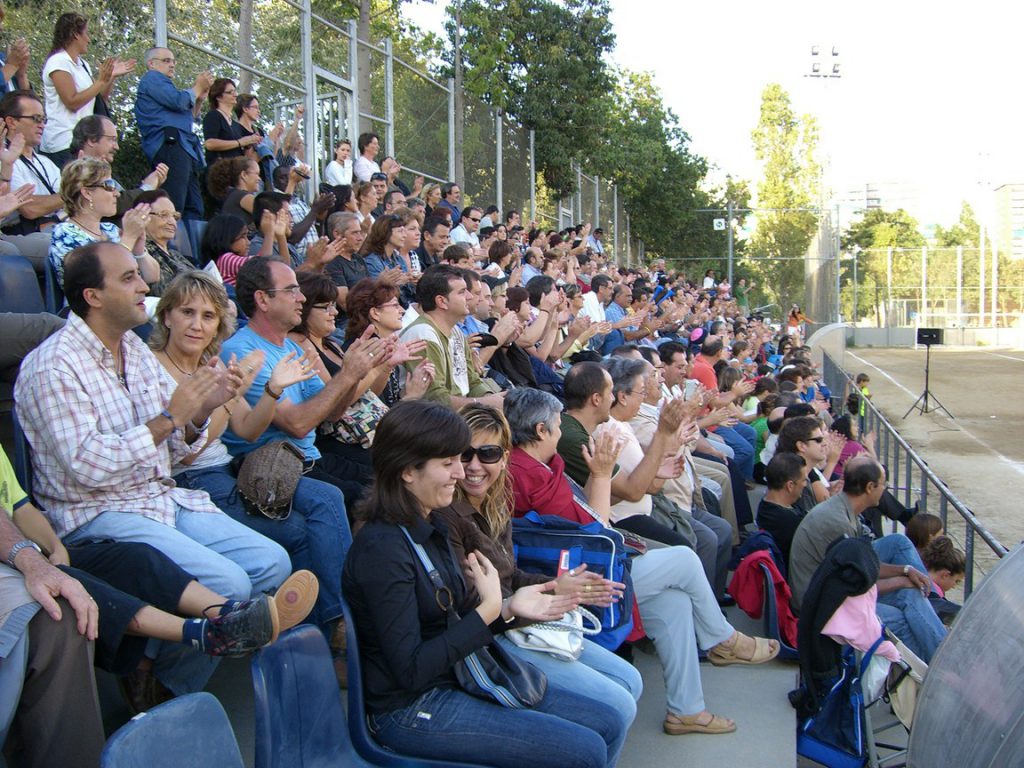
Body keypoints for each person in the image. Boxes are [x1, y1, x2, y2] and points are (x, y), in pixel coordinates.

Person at [342, 398, 625, 768]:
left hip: (458, 674)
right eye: (449, 463)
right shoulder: (382, 550)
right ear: (408, 471)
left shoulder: (432, 525)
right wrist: (492, 610)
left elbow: (461, 613)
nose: (461, 473)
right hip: (411, 709)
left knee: (610, 722)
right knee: (584, 751)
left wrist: (510, 607)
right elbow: (410, 672)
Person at [15, 241, 291, 604]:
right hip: (95, 513)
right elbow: (88, 467)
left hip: (157, 496)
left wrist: (202, 411)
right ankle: (184, 645)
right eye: (129, 278)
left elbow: (177, 448)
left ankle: (202, 638)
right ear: (93, 296)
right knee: (230, 584)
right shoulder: (53, 366)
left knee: (273, 562)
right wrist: (169, 419)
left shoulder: (133, 350)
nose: (145, 286)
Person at [503, 387, 780, 735]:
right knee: (683, 558)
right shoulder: (526, 473)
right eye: (557, 426)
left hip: (590, 559)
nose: (561, 432)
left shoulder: (542, 464)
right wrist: (603, 475)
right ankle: (721, 637)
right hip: (581, 577)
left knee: (675, 604)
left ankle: (686, 710)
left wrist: (598, 473)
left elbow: (583, 516)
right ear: (541, 431)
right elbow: (593, 536)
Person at [150, 270, 347, 636]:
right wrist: (211, 406)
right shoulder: (150, 367)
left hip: (225, 472)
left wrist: (271, 390)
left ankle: (319, 631)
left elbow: (247, 428)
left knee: (321, 509)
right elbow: (184, 455)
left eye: (208, 317)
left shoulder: (215, 365)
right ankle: (321, 631)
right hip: (188, 482)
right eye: (187, 313)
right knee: (302, 528)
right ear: (166, 316)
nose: (197, 325)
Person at [438, 404, 641, 751]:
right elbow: (471, 606)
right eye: (464, 454)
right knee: (618, 706)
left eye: (486, 453)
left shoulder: (495, 500)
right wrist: (526, 602)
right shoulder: (447, 517)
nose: (473, 466)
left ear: (503, 457)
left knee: (631, 681)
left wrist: (554, 586)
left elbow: (510, 574)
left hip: (518, 619)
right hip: (494, 636)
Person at [220, 256, 390, 509]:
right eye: (291, 291)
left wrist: (353, 375)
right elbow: (297, 425)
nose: (301, 298)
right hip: (277, 465)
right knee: (372, 499)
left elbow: (332, 413)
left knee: (395, 476)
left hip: (309, 456)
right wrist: (346, 375)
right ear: (262, 299)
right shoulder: (242, 351)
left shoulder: (291, 348)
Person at [788, 456, 947, 662]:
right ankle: (939, 666)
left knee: (899, 548)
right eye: (884, 485)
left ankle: (938, 654)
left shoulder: (842, 509)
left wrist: (906, 570)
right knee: (904, 616)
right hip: (827, 605)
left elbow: (862, 565)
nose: (885, 490)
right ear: (870, 487)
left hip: (835, 588)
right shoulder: (837, 522)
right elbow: (855, 587)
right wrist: (901, 580)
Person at [400, 264, 504, 408]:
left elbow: (472, 381)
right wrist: (484, 403)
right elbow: (434, 399)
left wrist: (493, 400)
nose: (470, 297)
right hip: (433, 422)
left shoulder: (456, 332)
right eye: (462, 292)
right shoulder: (422, 335)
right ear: (442, 301)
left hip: (459, 415)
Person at [40, 12, 135, 168]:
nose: (89, 39)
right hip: (63, 141)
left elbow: (99, 98)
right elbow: (71, 101)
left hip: (81, 141)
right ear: (76, 34)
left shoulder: (83, 64)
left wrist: (110, 77)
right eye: (86, 33)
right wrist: (100, 80)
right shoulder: (58, 61)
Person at [48, 157, 157, 286]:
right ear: (87, 193)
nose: (117, 193)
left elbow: (152, 277)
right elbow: (100, 281)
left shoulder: (110, 229)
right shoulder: (65, 233)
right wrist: (129, 237)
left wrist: (139, 249)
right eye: (110, 186)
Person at [134, 47, 214, 222]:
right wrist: (197, 87)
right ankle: (167, 246)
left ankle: (188, 248)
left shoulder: (167, 86)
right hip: (170, 146)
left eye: (173, 61)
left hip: (185, 148)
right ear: (151, 64)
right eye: (166, 61)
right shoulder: (151, 78)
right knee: (174, 203)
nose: (171, 65)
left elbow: (189, 117)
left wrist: (199, 99)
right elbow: (178, 101)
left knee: (194, 206)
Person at [344, 277, 436, 408]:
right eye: (395, 305)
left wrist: (415, 387)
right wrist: (411, 397)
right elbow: (369, 404)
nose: (402, 310)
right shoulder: (362, 350)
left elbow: (388, 400)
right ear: (375, 313)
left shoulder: (385, 345)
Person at [137, 189, 194, 297]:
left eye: (174, 216)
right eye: (164, 215)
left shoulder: (175, 254)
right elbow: (161, 291)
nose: (172, 222)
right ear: (143, 216)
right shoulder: (141, 253)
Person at [755, 452, 808, 566]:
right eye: (804, 480)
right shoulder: (788, 521)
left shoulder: (766, 504)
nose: (805, 485)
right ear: (790, 485)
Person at [202, 77, 259, 167]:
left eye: (235, 91)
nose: (235, 94)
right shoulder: (213, 116)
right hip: (218, 171)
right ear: (218, 97)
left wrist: (250, 142)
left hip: (234, 172)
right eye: (230, 92)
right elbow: (210, 143)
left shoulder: (236, 125)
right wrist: (239, 142)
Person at [206, 155, 260, 225]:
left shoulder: (233, 195)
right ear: (244, 175)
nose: (259, 178)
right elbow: (270, 216)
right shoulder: (243, 197)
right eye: (257, 174)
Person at [198, 213, 249, 286]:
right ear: (227, 238)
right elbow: (262, 266)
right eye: (242, 236)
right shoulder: (226, 259)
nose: (248, 242)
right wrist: (268, 234)